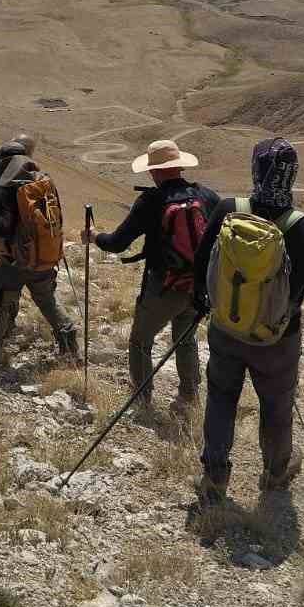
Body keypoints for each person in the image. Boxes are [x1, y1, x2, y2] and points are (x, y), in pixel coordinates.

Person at [193, 137, 304, 501]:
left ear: (256, 170)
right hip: (277, 339)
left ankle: (215, 475)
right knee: (277, 407)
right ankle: (275, 475)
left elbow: (201, 264)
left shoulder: (228, 210)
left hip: (226, 328)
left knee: (221, 398)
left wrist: (203, 303)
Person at [92, 139, 218, 420]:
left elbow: (116, 243)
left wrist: (93, 237)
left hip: (164, 287)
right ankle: (189, 397)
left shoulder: (151, 201)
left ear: (154, 171)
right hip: (199, 287)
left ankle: (142, 399)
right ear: (179, 166)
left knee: (140, 341)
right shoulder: (206, 196)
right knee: (185, 339)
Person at [0, 143, 78, 364]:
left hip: (15, 259)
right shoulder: (42, 180)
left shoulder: (7, 186)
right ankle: (69, 343)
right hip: (45, 255)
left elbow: (4, 226)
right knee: (47, 300)